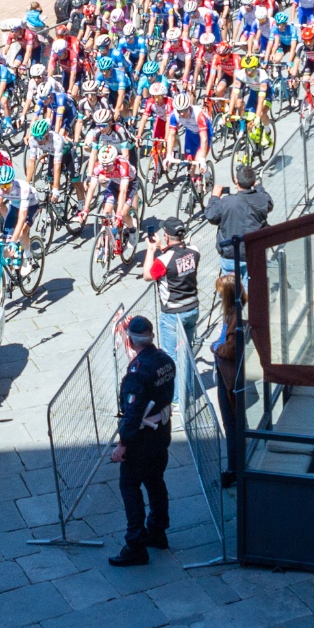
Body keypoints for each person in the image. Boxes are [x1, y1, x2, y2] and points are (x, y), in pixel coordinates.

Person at [108, 314, 176, 566]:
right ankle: (158, 531)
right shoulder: (166, 361)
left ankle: (135, 543)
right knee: (156, 481)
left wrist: (122, 445)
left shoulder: (137, 374)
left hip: (142, 441)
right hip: (161, 434)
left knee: (130, 486)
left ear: (131, 341)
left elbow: (133, 415)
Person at [143, 217, 200, 362]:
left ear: (166, 236)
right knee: (187, 354)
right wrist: (163, 247)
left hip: (173, 313)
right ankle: (188, 385)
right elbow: (177, 256)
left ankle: (177, 385)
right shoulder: (194, 252)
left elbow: (148, 275)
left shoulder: (162, 261)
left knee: (172, 358)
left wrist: (150, 250)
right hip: (192, 308)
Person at [203, 163, 272, 281]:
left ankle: (232, 298)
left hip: (230, 252)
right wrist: (259, 187)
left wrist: (214, 197)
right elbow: (269, 203)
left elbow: (211, 216)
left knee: (229, 289)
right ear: (253, 181)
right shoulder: (261, 199)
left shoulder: (227, 202)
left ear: (236, 181)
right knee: (251, 287)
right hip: (253, 251)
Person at [210, 273, 245, 479]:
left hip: (230, 374)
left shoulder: (235, 315)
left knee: (231, 424)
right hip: (230, 371)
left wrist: (216, 348)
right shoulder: (235, 311)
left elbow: (231, 348)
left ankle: (233, 469)